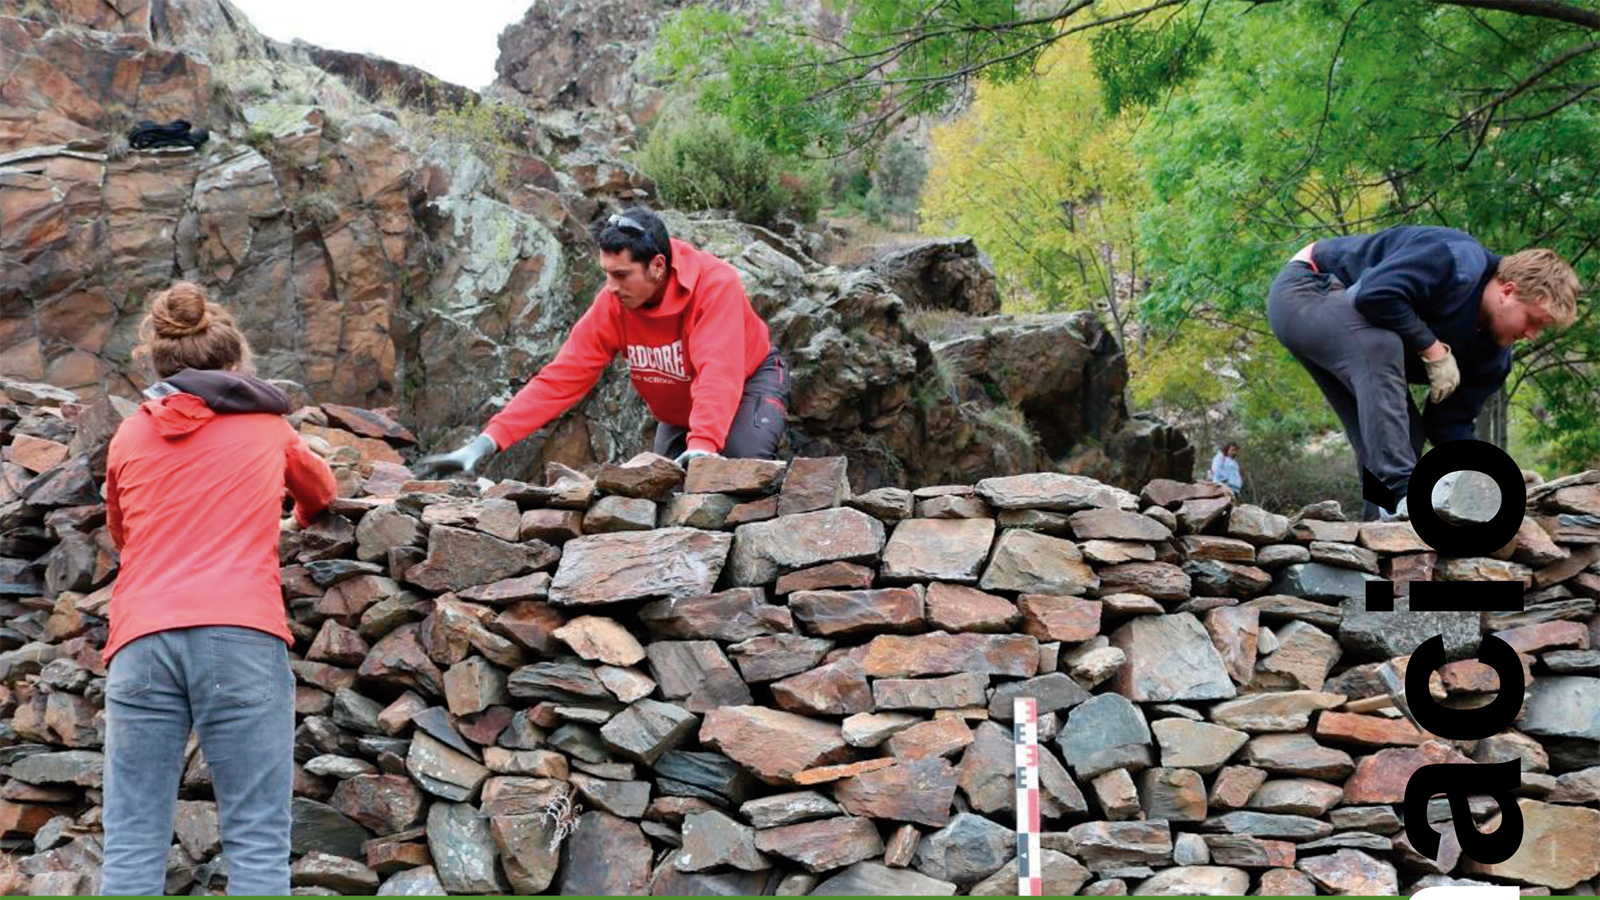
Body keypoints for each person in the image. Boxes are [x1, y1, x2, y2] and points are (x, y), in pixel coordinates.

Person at [100, 283, 336, 895]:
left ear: (160, 366)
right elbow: (321, 491)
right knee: (256, 839)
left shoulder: (130, 436)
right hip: (240, 631)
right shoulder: (268, 429)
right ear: (234, 363)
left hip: (141, 638)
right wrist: (299, 521)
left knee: (130, 840)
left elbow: (122, 533)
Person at [415, 207, 790, 478]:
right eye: (607, 274)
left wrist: (704, 445)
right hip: (682, 413)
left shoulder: (715, 285)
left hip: (747, 385)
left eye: (622, 275)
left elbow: (718, 371)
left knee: (738, 472)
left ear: (657, 266)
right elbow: (561, 378)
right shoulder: (613, 304)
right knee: (667, 494)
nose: (611, 287)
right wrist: (484, 443)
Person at [1268, 225, 1579, 521]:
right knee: (1379, 346)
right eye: (1533, 321)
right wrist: (1432, 349)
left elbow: (1447, 423)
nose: (1533, 334)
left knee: (1404, 434)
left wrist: (1493, 474)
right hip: (1309, 287)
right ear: (1508, 291)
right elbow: (1373, 295)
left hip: (1357, 332)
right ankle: (1402, 496)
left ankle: (1378, 530)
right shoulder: (1456, 260)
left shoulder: (1492, 358)